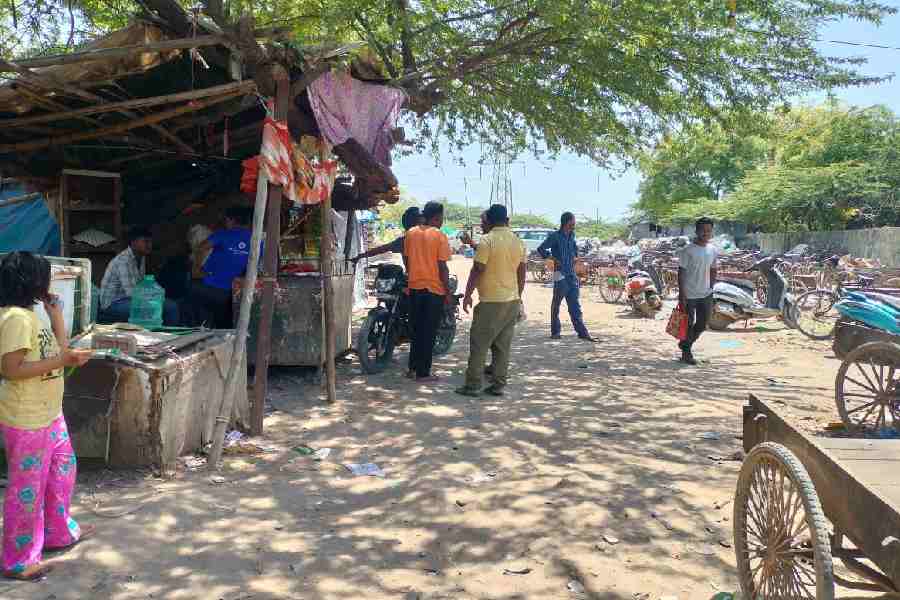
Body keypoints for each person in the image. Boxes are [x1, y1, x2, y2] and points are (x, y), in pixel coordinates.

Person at [0, 252, 94, 581]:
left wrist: (55, 317)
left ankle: (57, 534)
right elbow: (11, 370)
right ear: (32, 281)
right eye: (45, 276)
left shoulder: (30, 315)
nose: (49, 282)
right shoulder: (15, 318)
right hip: (27, 418)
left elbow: (60, 354)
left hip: (49, 413)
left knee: (62, 472)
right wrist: (61, 361)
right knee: (27, 490)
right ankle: (19, 559)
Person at [456, 204, 526, 397]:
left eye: (483, 221)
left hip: (490, 302)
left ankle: (473, 385)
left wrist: (468, 294)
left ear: (489, 220)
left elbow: (477, 269)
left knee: (479, 344)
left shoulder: (487, 240)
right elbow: (522, 274)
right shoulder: (518, 242)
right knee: (502, 347)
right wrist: (518, 297)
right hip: (511, 301)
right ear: (506, 220)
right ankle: (498, 385)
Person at [403, 201, 452, 382]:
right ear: (437, 217)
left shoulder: (410, 233)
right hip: (434, 290)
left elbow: (407, 261)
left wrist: (412, 276)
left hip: (414, 288)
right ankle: (423, 373)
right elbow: (442, 267)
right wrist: (447, 292)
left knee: (416, 330)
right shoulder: (439, 236)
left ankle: (412, 368)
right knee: (429, 332)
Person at [99, 227, 179, 325]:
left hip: (130, 300)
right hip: (113, 304)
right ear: (133, 242)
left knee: (170, 305)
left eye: (150, 242)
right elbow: (132, 293)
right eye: (145, 242)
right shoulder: (124, 261)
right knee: (159, 307)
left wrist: (155, 298)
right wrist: (154, 299)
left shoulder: (141, 257)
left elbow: (141, 287)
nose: (149, 245)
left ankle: (166, 336)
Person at [536, 212, 597, 341]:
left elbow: (574, 250)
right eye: (573, 222)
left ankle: (582, 333)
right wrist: (552, 258)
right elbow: (541, 249)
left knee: (575, 304)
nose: (574, 224)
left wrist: (575, 257)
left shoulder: (572, 236)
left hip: (571, 274)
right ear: (566, 222)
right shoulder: (555, 236)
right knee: (556, 303)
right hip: (559, 273)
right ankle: (555, 332)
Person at [190, 206, 254, 329]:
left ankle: (199, 330)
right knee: (225, 324)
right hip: (234, 294)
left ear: (231, 220)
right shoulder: (257, 241)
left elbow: (201, 247)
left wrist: (196, 270)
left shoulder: (223, 234)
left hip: (208, 288)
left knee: (194, 297)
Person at [676, 216, 718, 365]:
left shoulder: (713, 249)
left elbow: (713, 269)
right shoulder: (687, 250)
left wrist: (711, 288)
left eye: (709, 230)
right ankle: (687, 354)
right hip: (689, 293)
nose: (706, 233)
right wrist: (682, 295)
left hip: (705, 293)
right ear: (697, 231)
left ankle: (685, 345)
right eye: (703, 230)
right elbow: (681, 273)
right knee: (688, 324)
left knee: (702, 323)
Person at [351, 207, 422, 265]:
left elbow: (381, 249)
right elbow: (381, 249)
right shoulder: (405, 241)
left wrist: (360, 256)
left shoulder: (403, 241)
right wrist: (360, 256)